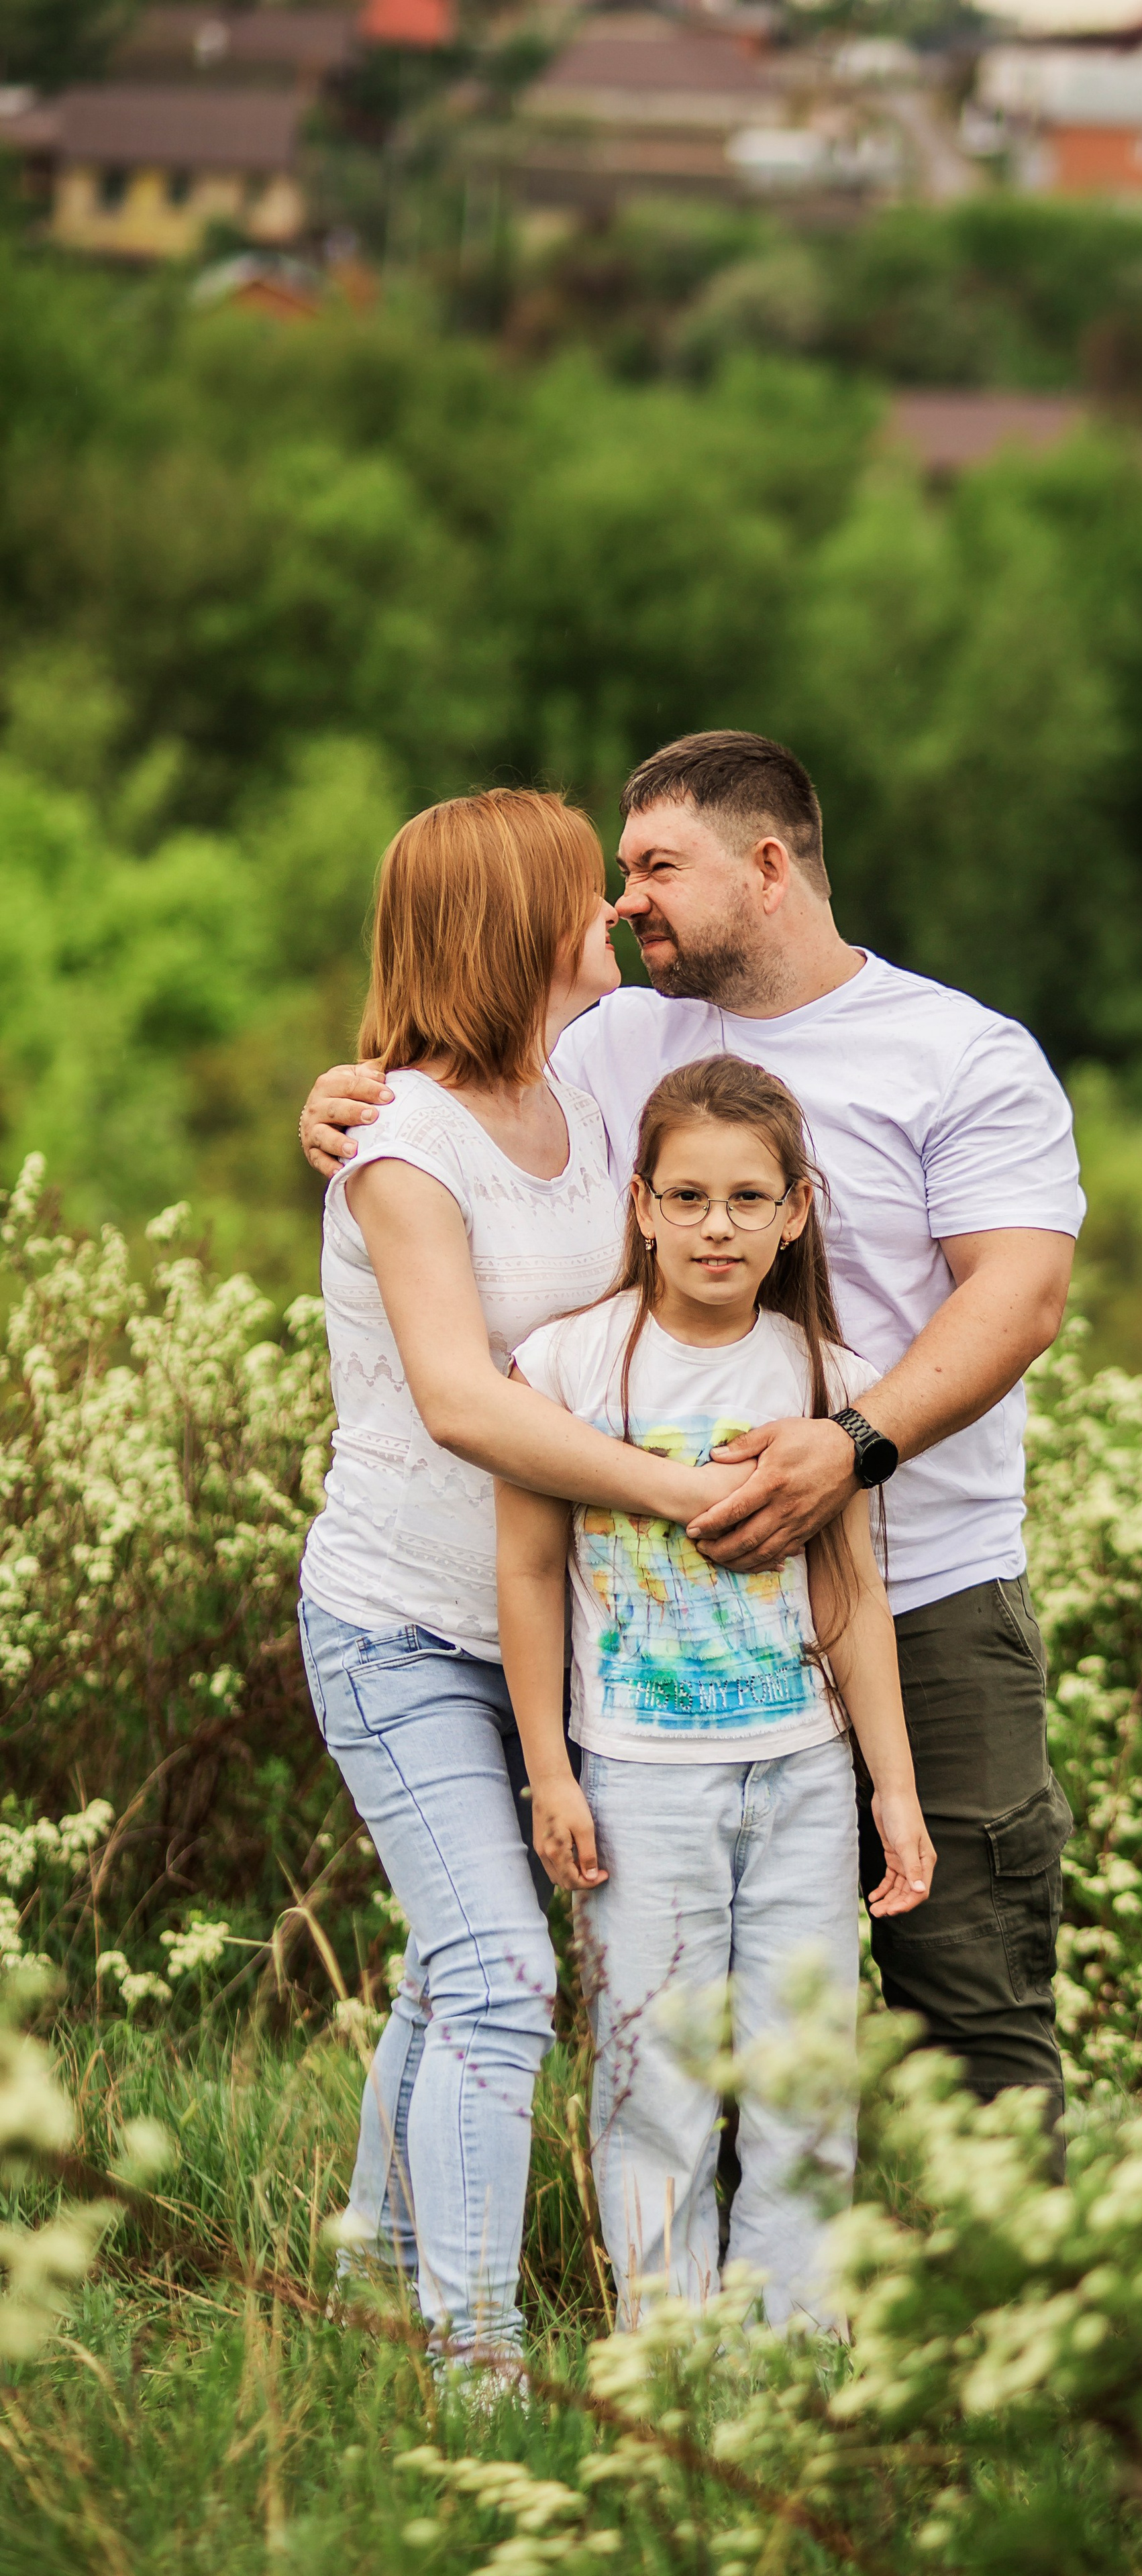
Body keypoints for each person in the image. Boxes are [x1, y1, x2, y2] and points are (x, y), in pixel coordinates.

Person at [300, 732, 1082, 2141]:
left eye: (658, 867)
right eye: (617, 870)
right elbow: (462, 1101)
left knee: (969, 1995)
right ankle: (707, 2281)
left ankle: (1009, 2284)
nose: (623, 901)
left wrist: (848, 1446)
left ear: (768, 868)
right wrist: (351, 1098)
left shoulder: (960, 1054)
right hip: (674, 1606)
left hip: (919, 1594)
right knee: (692, 2015)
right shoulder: (612, 1037)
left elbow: (1019, 1298)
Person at [297, 788, 747, 2372]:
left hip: (548, 1626)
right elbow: (462, 1402)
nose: (613, 909)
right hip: (402, 1629)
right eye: (584, 888)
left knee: (455, 1967)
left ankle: (373, 2274)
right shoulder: (402, 1146)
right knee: (496, 1976)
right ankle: (473, 2365)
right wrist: (676, 1494)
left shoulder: (579, 1105)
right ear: (514, 925)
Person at [495, 1055, 935, 2327]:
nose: (716, 1228)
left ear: (797, 1212)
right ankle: (672, 2351)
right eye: (686, 1198)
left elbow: (850, 1594)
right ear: (640, 1205)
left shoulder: (824, 1377)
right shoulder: (568, 1367)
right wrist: (551, 1772)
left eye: (749, 1199)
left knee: (807, 2076)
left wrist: (892, 1791)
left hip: (802, 1776)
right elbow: (527, 1574)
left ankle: (799, 2349)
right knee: (657, 2079)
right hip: (639, 1784)